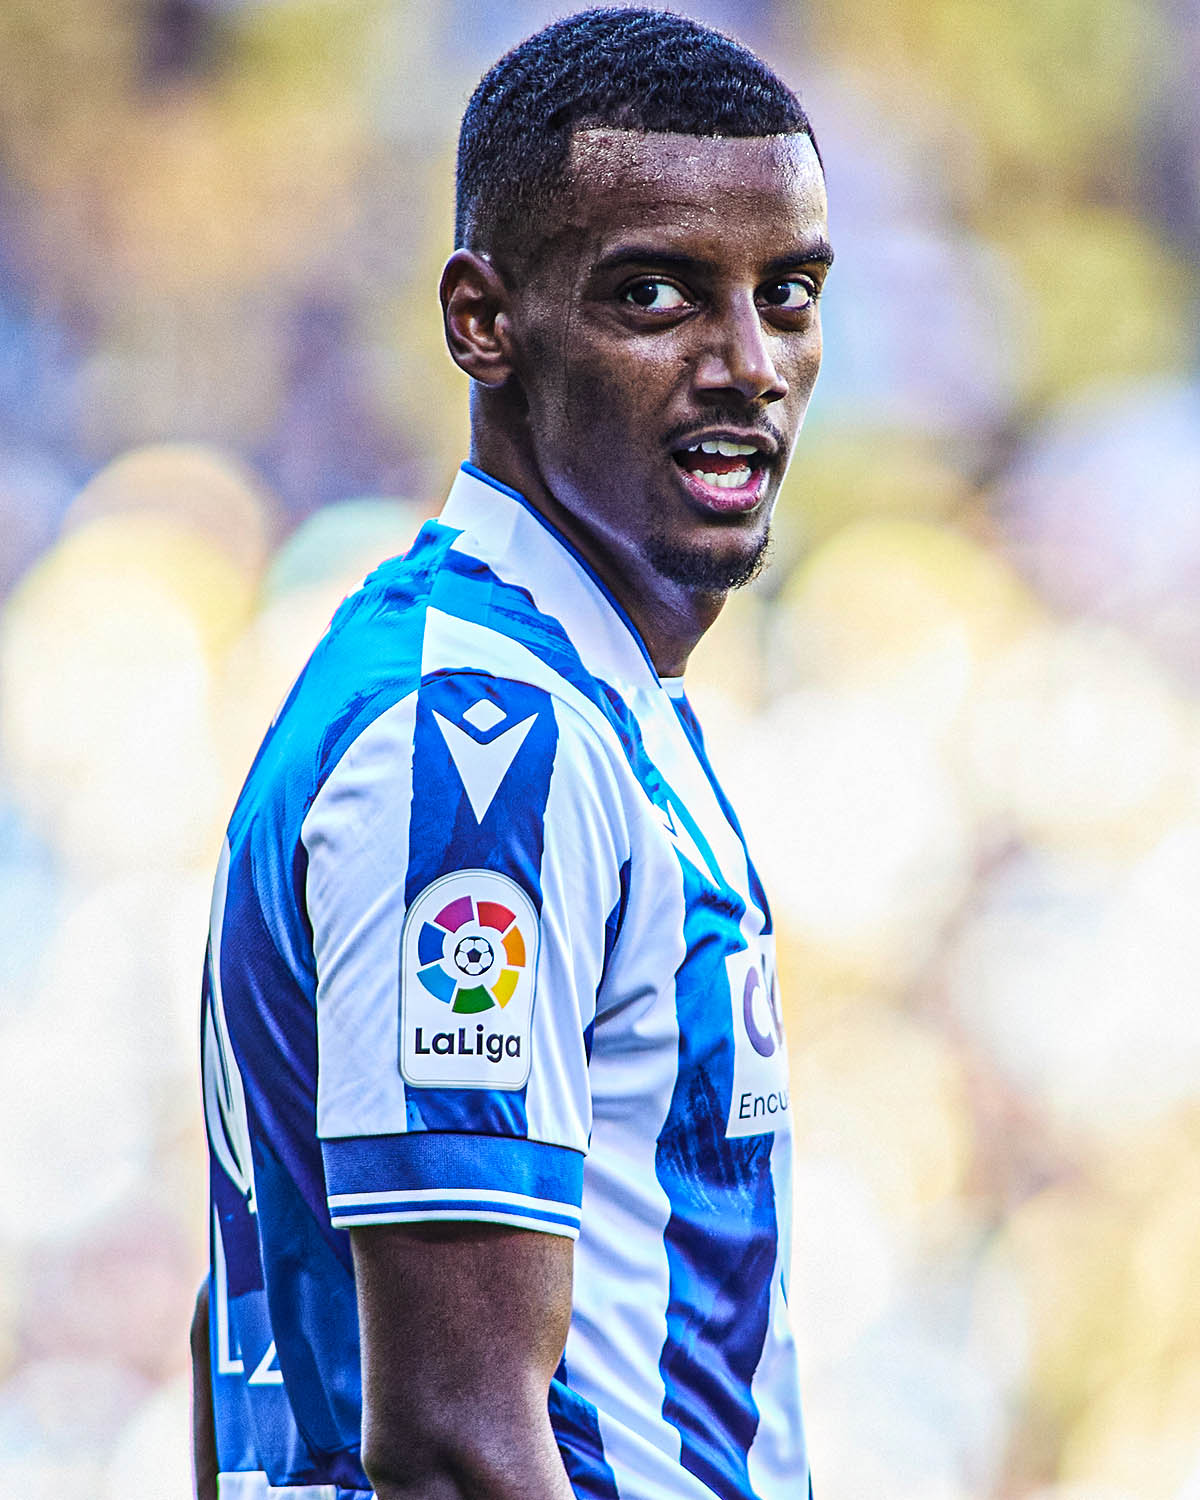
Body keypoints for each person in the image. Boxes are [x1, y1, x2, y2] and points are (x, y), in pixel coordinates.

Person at [193, 7, 832, 1498]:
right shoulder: (483, 744)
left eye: (789, 295)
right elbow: (454, 1441)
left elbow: (249, 1329)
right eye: (657, 295)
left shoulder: (558, 687)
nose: (750, 364)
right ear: (483, 320)